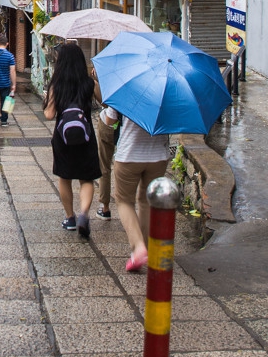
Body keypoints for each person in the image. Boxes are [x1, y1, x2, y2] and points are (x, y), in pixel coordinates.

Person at [100, 105, 172, 271]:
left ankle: (138, 248)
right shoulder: (166, 94)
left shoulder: (127, 89)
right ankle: (143, 250)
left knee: (124, 200)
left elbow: (109, 120)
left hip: (129, 154)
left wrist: (104, 113)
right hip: (158, 156)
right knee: (147, 201)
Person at [43, 42, 102, 239]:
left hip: (63, 138)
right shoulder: (88, 84)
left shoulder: (56, 85)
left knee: (65, 177)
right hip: (86, 135)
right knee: (86, 178)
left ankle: (70, 218)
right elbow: (104, 101)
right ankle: (84, 213)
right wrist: (95, 80)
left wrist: (48, 99)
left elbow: (49, 115)